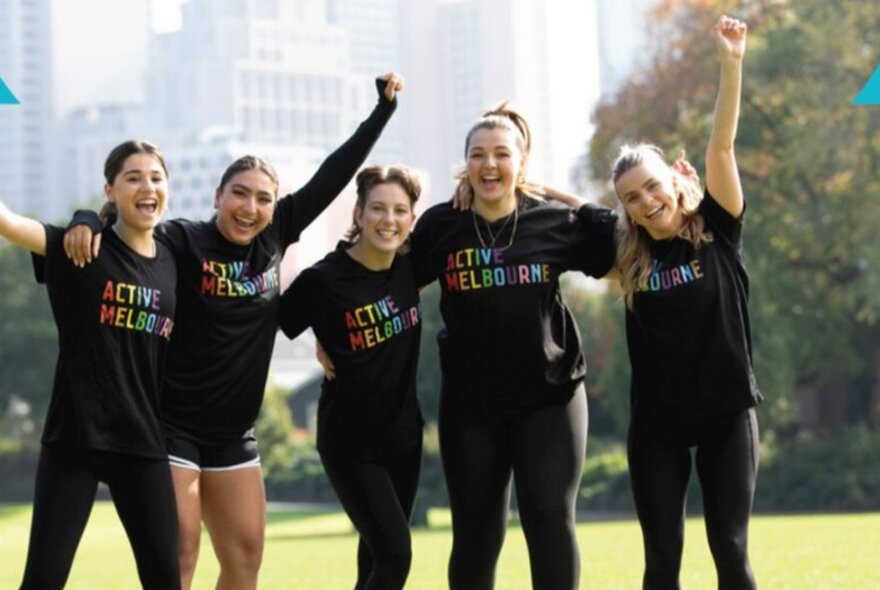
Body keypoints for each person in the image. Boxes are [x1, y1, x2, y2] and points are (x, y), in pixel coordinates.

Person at [63, 74, 404, 590]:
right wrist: (87, 215)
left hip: (234, 435)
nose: (250, 207)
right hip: (171, 426)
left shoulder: (275, 236)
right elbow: (127, 230)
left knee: (244, 566)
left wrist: (382, 111)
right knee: (179, 561)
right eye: (239, 194)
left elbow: (336, 173)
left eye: (263, 198)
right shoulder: (182, 240)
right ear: (218, 196)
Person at [550, 15, 759, 590]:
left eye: (652, 187)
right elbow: (571, 208)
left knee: (731, 552)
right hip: (658, 427)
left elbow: (722, 143)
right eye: (631, 198)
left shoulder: (718, 227)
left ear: (673, 179)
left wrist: (730, 63)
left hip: (726, 416)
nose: (646, 201)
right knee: (661, 558)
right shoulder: (626, 251)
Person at [409, 103, 617, 589]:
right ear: (466, 165)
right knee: (478, 535)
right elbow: (390, 284)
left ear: (521, 164)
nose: (489, 164)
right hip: (471, 404)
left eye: (503, 154)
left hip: (551, 397)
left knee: (548, 519)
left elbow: (612, 250)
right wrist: (330, 339)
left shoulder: (552, 222)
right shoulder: (443, 226)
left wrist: (558, 195)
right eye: (478, 155)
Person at [0, 140, 181, 589]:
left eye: (156, 177)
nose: (147, 186)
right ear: (110, 189)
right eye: (133, 177)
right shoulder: (78, 248)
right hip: (77, 439)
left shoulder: (174, 260)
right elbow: (4, 221)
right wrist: (83, 218)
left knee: (166, 581)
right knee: (43, 580)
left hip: (142, 442)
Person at [279, 165, 423, 590]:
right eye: (377, 208)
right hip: (351, 444)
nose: (388, 219)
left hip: (404, 439)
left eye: (400, 210)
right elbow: (263, 321)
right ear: (358, 213)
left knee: (375, 563)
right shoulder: (323, 280)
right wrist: (318, 346)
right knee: (396, 558)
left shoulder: (411, 265)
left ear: (412, 220)